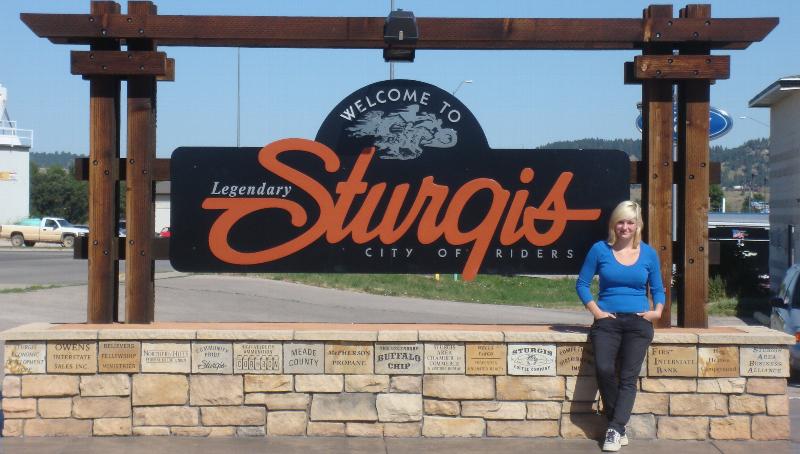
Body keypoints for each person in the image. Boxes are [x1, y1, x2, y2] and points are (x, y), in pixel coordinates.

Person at [575, 200, 665, 452]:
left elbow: (658, 288)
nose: (625, 227)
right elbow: (582, 284)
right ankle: (619, 426)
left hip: (638, 322)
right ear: (613, 224)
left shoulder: (648, 254)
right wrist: (597, 312)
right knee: (604, 369)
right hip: (608, 321)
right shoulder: (599, 250)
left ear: (638, 226)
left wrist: (656, 312)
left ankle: (614, 429)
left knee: (628, 376)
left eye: (630, 223)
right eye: (620, 222)